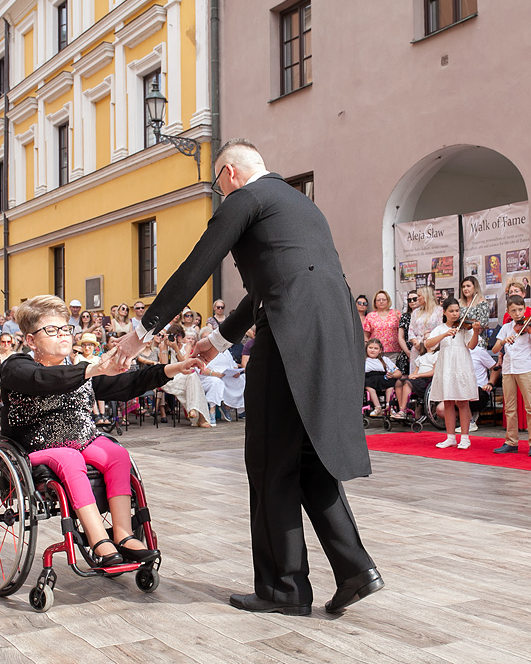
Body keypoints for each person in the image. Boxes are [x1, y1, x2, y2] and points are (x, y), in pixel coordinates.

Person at [116, 139, 381, 616]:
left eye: (218, 185)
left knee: (268, 461)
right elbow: (271, 283)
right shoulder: (299, 204)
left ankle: (285, 589)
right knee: (308, 458)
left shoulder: (245, 199)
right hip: (336, 329)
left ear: (231, 173)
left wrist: (140, 333)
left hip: (291, 332)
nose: (220, 195)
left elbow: (196, 266)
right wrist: (217, 340)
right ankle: (355, 569)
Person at [2, 296, 201, 567]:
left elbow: (126, 383)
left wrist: (172, 369)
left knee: (117, 454)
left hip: (80, 439)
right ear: (30, 340)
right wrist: (91, 369)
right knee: (70, 458)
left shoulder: (77, 371)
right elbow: (42, 381)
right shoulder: (16, 367)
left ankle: (123, 534)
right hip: (36, 448)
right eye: (51, 330)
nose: (62, 335)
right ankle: (98, 539)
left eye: (65, 329)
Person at [493, 295, 531, 456]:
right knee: (510, 408)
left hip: (524, 369)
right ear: (508, 311)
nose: (517, 313)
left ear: (525, 309)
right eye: (514, 310)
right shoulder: (506, 328)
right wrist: (503, 341)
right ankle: (511, 441)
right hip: (509, 370)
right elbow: (495, 349)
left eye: (520, 309)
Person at [424, 297, 481, 449]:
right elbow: (428, 344)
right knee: (448, 401)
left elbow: (472, 345)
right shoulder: (440, 328)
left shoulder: (464, 328)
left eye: (457, 311)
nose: (455, 314)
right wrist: (445, 334)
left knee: (462, 401)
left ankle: (465, 437)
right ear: (444, 312)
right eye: (451, 311)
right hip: (446, 366)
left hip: (461, 366)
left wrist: (475, 331)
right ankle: (450, 437)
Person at [502, 278, 531, 431]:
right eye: (510, 292)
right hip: (511, 361)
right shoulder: (507, 317)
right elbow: (502, 340)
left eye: (516, 291)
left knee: (530, 401)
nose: (513, 293)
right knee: (511, 403)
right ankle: (512, 436)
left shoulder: (530, 313)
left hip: (526, 358)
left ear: (523, 293)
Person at [391, 344, 437, 419]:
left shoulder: (436, 355)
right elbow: (416, 371)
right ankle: (401, 408)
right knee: (399, 382)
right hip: (418, 379)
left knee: (407, 383)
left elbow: (433, 372)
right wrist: (413, 375)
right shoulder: (421, 357)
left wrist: (418, 375)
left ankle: (403, 410)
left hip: (428, 381)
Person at [362, 339, 402, 418]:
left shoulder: (385, 360)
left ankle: (389, 406)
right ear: (366, 348)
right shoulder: (363, 360)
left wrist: (392, 375)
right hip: (369, 378)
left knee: (391, 383)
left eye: (375, 348)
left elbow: (399, 373)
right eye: (370, 348)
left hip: (383, 378)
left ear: (380, 350)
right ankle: (377, 407)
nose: (373, 350)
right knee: (368, 385)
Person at [362, 290, 402, 358]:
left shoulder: (396, 314)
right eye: (378, 300)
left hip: (394, 352)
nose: (381, 301)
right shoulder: (370, 316)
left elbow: (401, 333)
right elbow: (365, 335)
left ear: (388, 301)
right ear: (375, 302)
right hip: (375, 352)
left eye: (384, 299)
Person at [407, 286, 442, 357]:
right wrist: (415, 342)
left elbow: (440, 328)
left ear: (426, 296)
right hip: (417, 348)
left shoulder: (439, 311)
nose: (417, 298)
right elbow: (411, 329)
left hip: (432, 348)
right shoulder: (416, 312)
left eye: (419, 296)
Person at [456, 276, 490, 348]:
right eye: (463, 287)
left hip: (477, 339)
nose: (465, 289)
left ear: (475, 287)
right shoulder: (458, 303)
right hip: (460, 339)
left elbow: (483, 324)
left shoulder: (482, 303)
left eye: (468, 286)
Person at [396, 290, 418, 376]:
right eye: (409, 300)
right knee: (403, 379)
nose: (412, 302)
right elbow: (400, 337)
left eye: (414, 299)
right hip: (407, 350)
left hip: (422, 349)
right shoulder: (405, 316)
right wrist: (407, 352)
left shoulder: (426, 315)